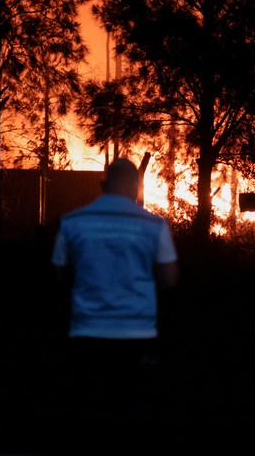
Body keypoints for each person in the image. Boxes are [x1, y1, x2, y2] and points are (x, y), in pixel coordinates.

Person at [50, 157, 179, 446]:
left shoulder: (73, 222)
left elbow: (59, 274)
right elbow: (169, 279)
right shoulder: (154, 225)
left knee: (90, 411)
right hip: (137, 334)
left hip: (87, 331)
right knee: (133, 414)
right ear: (135, 185)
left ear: (104, 184)